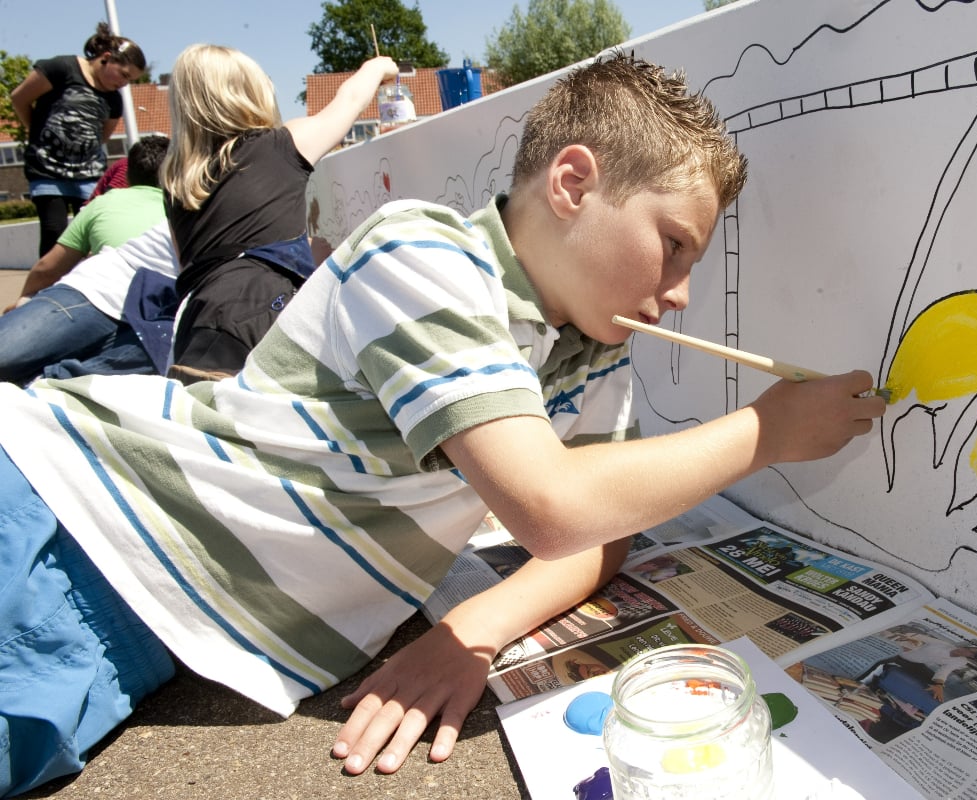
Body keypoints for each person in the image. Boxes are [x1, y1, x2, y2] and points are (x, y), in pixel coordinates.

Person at [0, 52, 886, 795]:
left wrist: (477, 631)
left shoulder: (589, 344)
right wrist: (766, 434)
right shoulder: (423, 254)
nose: (682, 291)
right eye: (674, 244)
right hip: (76, 517)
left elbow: (598, 530)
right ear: (573, 183)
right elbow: (552, 506)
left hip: (167, 620)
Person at [160, 44, 399, 382]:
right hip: (259, 307)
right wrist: (377, 68)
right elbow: (348, 103)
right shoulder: (278, 146)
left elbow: (200, 261)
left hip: (198, 316)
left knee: (209, 423)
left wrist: (295, 250)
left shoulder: (176, 180)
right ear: (251, 93)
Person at [0, 136, 172, 385]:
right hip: (154, 316)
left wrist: (25, 298)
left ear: (128, 175)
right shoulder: (185, 207)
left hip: (95, 291)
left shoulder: (104, 203)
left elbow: (48, 267)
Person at [9, 22, 146, 256]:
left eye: (130, 80)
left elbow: (103, 135)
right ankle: (49, 288)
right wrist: (37, 131)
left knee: (96, 230)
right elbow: (19, 98)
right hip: (48, 170)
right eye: (123, 74)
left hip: (88, 174)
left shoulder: (113, 100)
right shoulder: (60, 69)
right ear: (106, 58)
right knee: (55, 231)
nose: (124, 83)